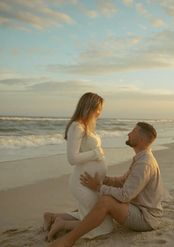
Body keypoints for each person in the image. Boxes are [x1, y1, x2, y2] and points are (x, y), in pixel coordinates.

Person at [48, 121, 164, 247]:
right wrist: (103, 180)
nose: (129, 133)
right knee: (98, 201)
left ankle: (69, 239)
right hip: (137, 209)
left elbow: (125, 195)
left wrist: (98, 187)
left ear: (141, 139)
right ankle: (56, 218)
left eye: (133, 132)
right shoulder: (141, 158)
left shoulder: (144, 163)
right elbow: (122, 181)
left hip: (146, 218)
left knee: (106, 202)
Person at [43, 92, 113, 241]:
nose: (100, 112)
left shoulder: (85, 126)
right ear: (89, 107)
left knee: (91, 217)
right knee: (102, 225)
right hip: (82, 184)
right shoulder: (77, 127)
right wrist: (96, 153)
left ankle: (53, 217)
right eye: (98, 108)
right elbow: (72, 158)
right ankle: (62, 224)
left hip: (90, 183)